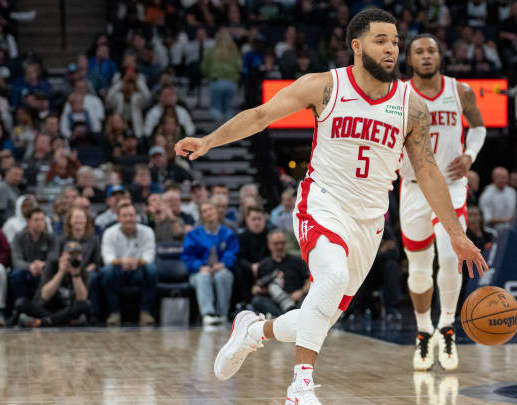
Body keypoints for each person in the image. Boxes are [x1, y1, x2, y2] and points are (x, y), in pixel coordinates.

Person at [175, 9, 486, 404]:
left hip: (369, 222)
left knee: (318, 316)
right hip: (322, 202)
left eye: (395, 41)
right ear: (356, 46)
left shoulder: (411, 106)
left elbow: (427, 172)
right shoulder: (325, 86)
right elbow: (261, 116)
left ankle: (254, 330)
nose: (392, 49)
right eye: (381, 40)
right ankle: (300, 387)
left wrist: (456, 234)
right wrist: (208, 141)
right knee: (332, 278)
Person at [399, 34, 487, 372]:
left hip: (451, 185)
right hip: (414, 188)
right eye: (418, 51)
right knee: (419, 270)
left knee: (451, 255)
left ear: (440, 54)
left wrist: (470, 155)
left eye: (431, 50)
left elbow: (478, 128)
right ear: (410, 59)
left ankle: (447, 325)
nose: (425, 56)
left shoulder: (460, 91)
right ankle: (424, 331)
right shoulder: (401, 96)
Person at [181, 201, 239, 326]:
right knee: (203, 277)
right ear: (201, 216)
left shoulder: (228, 234)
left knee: (223, 275)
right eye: (204, 211)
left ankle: (222, 314)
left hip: (221, 269)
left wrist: (223, 264)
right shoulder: (193, 235)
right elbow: (187, 257)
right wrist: (200, 267)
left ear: (217, 212)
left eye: (210, 210)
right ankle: (208, 314)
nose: (208, 213)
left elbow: (232, 252)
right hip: (199, 272)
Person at [100, 203, 157, 326]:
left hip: (139, 271)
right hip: (118, 271)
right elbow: (108, 259)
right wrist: (122, 262)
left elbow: (149, 257)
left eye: (131, 215)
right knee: (107, 271)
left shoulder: (147, 232)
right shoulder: (109, 233)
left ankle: (145, 312)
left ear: (136, 217)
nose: (129, 219)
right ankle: (114, 313)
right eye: (125, 216)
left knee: (152, 269)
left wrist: (137, 262)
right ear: (118, 218)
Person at [15, 241, 90, 327]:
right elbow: (45, 295)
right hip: (48, 308)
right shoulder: (52, 265)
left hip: (67, 309)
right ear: (63, 255)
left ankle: (42, 322)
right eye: (71, 254)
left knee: (84, 305)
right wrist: (61, 272)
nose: (74, 258)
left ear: (82, 256)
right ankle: (62, 321)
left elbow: (82, 299)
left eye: (77, 255)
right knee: (20, 303)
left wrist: (75, 275)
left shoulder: (83, 271)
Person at [251, 229, 310, 317]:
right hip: (276, 302)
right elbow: (256, 288)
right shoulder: (263, 265)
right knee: (257, 300)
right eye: (276, 243)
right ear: (269, 245)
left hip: (297, 299)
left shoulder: (297, 261)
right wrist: (259, 290)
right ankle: (285, 319)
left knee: (309, 299)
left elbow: (309, 280)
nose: (280, 246)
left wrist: (300, 292)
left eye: (282, 243)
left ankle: (287, 318)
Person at [9, 208, 58, 304]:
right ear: (29, 221)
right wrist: (30, 266)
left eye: (42, 220)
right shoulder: (19, 237)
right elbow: (16, 260)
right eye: (36, 220)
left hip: (45, 270)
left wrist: (43, 265)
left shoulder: (51, 237)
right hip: (26, 270)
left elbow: (53, 258)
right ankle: (20, 305)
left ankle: (42, 307)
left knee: (50, 273)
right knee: (16, 274)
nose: (39, 223)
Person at [234, 206, 271, 309]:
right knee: (239, 270)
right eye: (253, 219)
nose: (257, 222)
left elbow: (273, 255)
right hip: (248, 270)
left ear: (264, 220)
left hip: (266, 267)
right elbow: (240, 258)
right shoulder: (242, 237)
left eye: (259, 219)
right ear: (247, 221)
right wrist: (251, 266)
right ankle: (244, 303)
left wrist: (260, 265)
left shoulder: (270, 235)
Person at [479, 166, 517, 234]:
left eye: (506, 177)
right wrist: (507, 220)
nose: (504, 180)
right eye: (502, 177)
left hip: (510, 230)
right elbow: (487, 219)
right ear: (494, 178)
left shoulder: (512, 192)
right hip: (492, 231)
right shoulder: (487, 195)